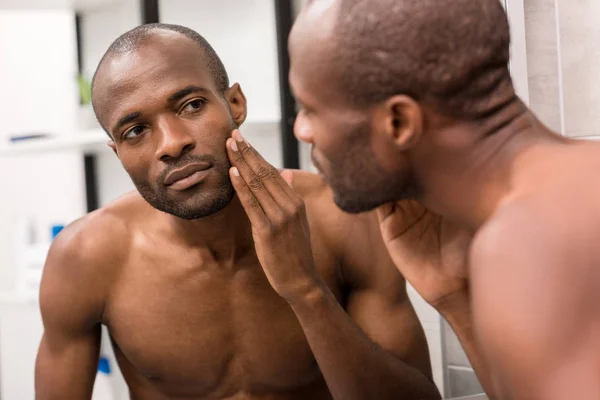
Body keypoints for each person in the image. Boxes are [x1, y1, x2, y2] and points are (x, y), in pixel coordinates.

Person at [34, 23, 442, 400]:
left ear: (236, 103)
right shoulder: (84, 257)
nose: (172, 144)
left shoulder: (341, 219)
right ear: (117, 151)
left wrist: (305, 289)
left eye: (191, 105)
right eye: (136, 131)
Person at [288, 0, 600, 399]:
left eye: (310, 109)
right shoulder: (571, 181)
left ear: (398, 122)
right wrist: (453, 298)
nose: (301, 130)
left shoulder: (526, 241)